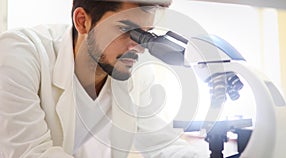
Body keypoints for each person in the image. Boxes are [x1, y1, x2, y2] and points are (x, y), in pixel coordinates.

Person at [0, 0, 202, 157]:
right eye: (125, 29)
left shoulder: (135, 73)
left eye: (145, 35)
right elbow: (31, 153)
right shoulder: (19, 54)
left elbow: (162, 145)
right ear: (82, 21)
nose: (138, 46)